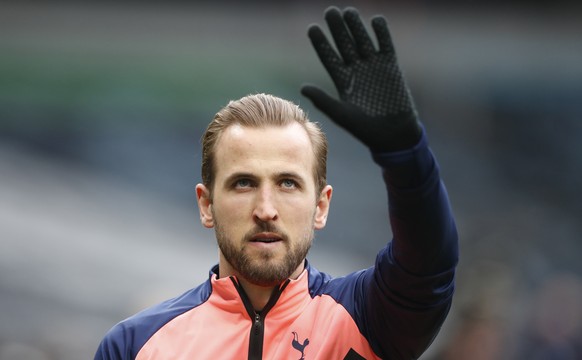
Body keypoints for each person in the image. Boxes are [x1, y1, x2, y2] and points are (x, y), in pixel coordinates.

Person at [94, 6, 458, 360]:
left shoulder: (368, 317)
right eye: (243, 184)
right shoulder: (134, 346)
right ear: (206, 205)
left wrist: (407, 157)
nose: (265, 210)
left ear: (321, 206)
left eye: (287, 183)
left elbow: (429, 265)